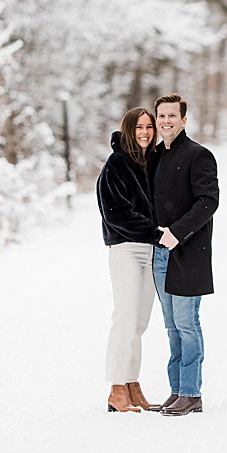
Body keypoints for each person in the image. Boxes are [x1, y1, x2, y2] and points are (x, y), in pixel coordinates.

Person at [148, 92, 219, 416]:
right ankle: (176, 390)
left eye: (172, 116)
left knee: (187, 324)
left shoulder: (198, 155)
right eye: (161, 116)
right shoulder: (154, 157)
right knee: (171, 327)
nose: (166, 121)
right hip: (159, 254)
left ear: (184, 120)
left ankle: (192, 392)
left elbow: (208, 202)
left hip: (189, 252)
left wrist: (177, 233)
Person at [97, 106, 165, 413]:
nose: (145, 132)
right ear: (128, 129)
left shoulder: (153, 161)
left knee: (139, 321)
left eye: (149, 127)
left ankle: (131, 382)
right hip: (126, 248)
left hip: (152, 250)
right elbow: (116, 213)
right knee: (124, 318)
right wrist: (154, 231)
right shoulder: (116, 164)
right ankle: (115, 387)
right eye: (139, 127)